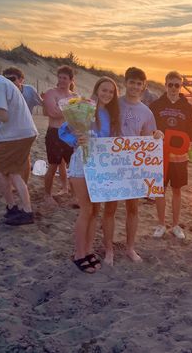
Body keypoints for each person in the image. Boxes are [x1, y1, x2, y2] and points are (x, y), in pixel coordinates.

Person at [59, 77, 121, 273]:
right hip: (81, 164)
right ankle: (78, 254)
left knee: (95, 210)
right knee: (86, 210)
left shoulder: (112, 114)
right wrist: (75, 139)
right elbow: (63, 131)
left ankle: (88, 249)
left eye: (111, 92)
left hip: (99, 166)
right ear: (97, 89)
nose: (107, 94)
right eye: (104, 90)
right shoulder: (83, 106)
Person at [102, 67, 162, 264]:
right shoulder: (113, 104)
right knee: (110, 208)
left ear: (144, 86)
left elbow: (148, 139)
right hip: (113, 163)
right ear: (125, 83)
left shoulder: (146, 111)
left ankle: (130, 247)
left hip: (134, 166)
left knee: (133, 208)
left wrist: (157, 136)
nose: (135, 86)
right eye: (132, 82)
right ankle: (109, 249)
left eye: (139, 83)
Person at [149, 71, 192, 240]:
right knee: (160, 190)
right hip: (160, 155)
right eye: (170, 84)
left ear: (181, 86)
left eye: (177, 85)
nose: (173, 88)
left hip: (180, 156)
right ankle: (161, 224)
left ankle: (176, 225)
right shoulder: (156, 105)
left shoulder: (187, 107)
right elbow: (149, 127)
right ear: (165, 85)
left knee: (177, 190)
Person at [0, 65, 37, 225]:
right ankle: (20, 209)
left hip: (18, 134)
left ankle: (19, 209)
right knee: (12, 170)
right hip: (23, 133)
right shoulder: (1, 82)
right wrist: (0, 140)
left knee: (1, 169)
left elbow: (3, 116)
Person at [42, 65, 77, 204]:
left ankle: (75, 195)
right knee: (53, 165)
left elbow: (79, 116)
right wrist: (71, 110)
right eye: (60, 77)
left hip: (70, 133)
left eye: (65, 78)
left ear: (71, 80)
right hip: (54, 133)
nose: (62, 80)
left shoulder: (75, 96)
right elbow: (52, 113)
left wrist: (64, 109)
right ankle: (47, 195)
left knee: (73, 166)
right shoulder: (51, 93)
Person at [1, 67, 42, 183]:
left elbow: (43, 104)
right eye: (6, 79)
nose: (9, 81)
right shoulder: (4, 91)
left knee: (25, 159)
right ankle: (11, 184)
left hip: (25, 130)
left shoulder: (29, 90)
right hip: (8, 130)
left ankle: (24, 183)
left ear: (21, 79)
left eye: (12, 78)